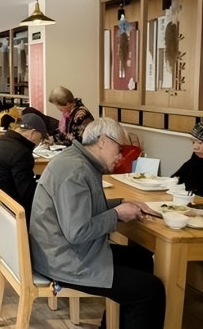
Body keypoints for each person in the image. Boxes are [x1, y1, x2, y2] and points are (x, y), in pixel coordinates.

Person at [29, 118, 165, 329]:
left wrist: (120, 203)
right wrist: (117, 213)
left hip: (58, 250)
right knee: (150, 291)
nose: (121, 156)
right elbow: (78, 232)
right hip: (64, 260)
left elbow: (84, 208)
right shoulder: (76, 170)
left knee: (142, 260)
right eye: (120, 148)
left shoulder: (76, 160)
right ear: (103, 141)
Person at [0, 113, 48, 224]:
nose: (39, 143)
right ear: (32, 133)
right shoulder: (21, 153)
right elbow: (28, 194)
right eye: (40, 138)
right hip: (10, 215)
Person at [172, 121, 203, 196]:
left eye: (200, 143)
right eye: (193, 142)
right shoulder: (194, 160)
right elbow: (176, 178)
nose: (195, 147)